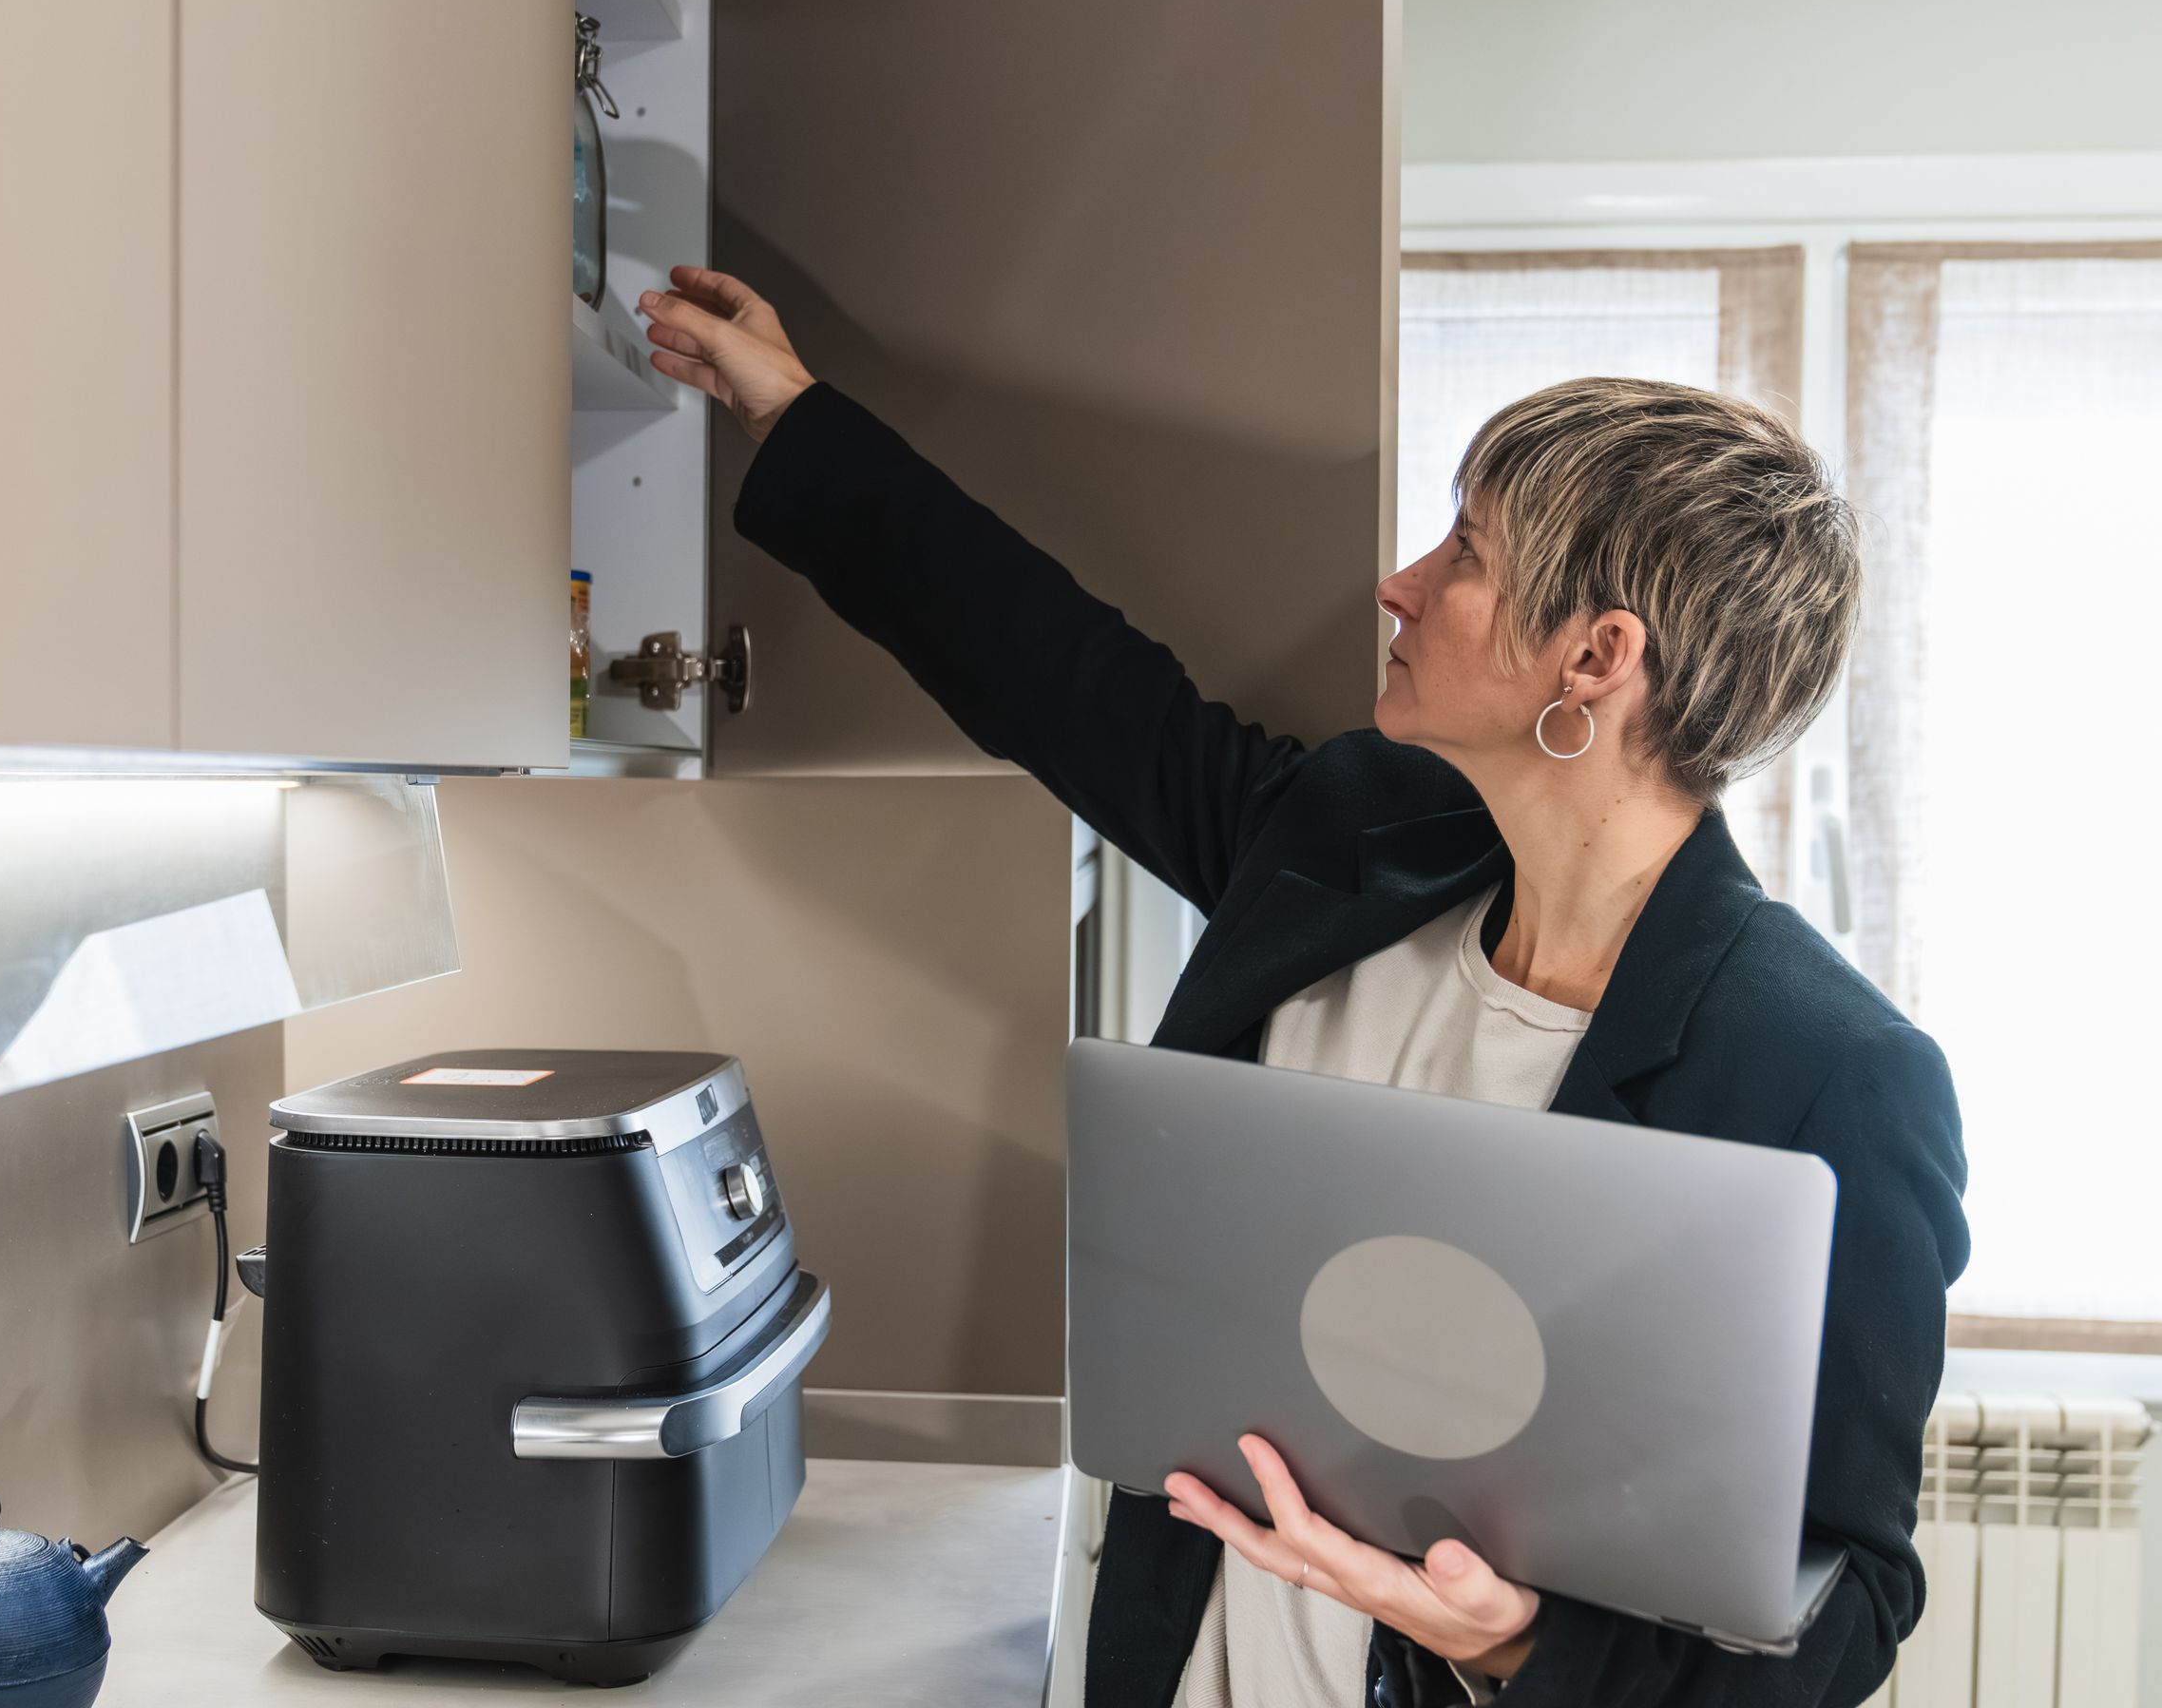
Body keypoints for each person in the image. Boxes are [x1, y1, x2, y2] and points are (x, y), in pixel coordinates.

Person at [633, 268, 1969, 1708]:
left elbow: (1849, 1601)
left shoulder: (1828, 1073)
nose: (1401, 585)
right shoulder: (1355, 844)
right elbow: (1064, 679)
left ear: (1596, 658)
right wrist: (790, 412)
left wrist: (1512, 1643)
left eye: (1466, 553)